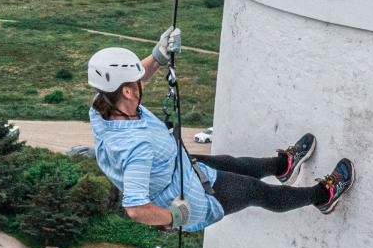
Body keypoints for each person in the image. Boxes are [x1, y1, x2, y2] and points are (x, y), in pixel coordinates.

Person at [86, 28, 355, 235]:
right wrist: (173, 218)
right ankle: (323, 196)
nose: (140, 81)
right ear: (127, 91)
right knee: (257, 191)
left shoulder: (102, 106)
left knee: (231, 163)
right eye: (134, 82)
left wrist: (158, 57)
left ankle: (283, 166)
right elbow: (134, 208)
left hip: (179, 167)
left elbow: (134, 78)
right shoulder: (136, 148)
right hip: (190, 198)